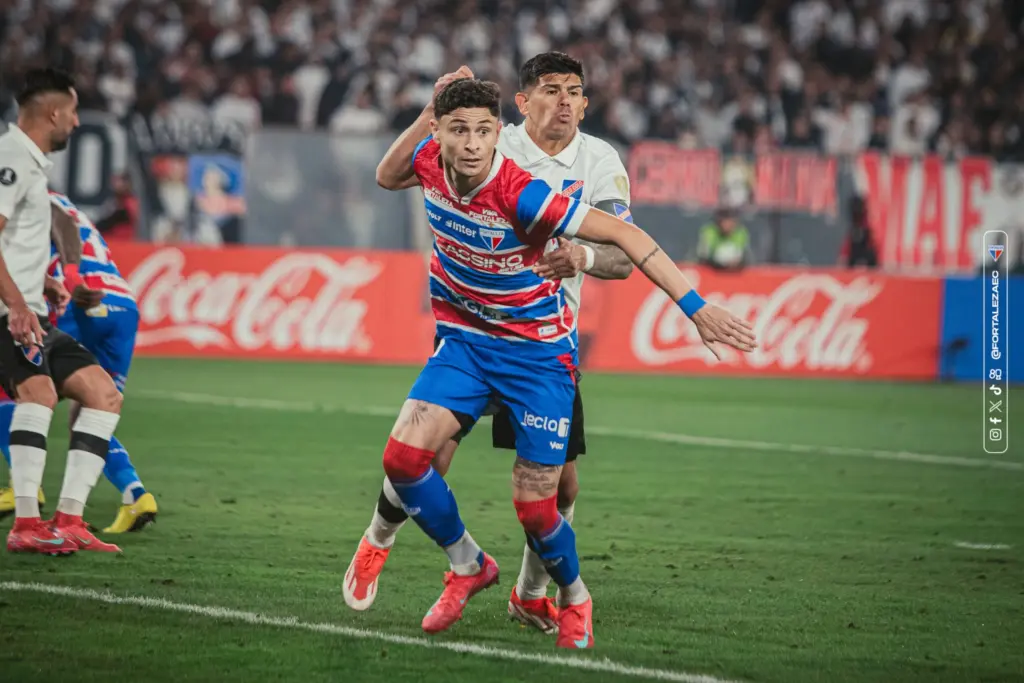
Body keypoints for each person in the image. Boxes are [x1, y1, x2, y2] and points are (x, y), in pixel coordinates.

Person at [368, 75, 756, 648]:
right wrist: (431, 105)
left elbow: (624, 239)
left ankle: (567, 594)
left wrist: (693, 306)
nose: (472, 144)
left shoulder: (533, 188)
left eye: (481, 132)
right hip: (468, 340)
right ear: (440, 132)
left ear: (496, 133)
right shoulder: (434, 158)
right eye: (459, 131)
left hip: (539, 353)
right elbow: (386, 174)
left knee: (542, 500)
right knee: (408, 458)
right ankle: (460, 562)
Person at [343, 53, 635, 635]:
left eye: (574, 92)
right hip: (473, 329)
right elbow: (401, 172)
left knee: (557, 486)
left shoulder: (600, 161)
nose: (564, 102)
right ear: (521, 105)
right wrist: (433, 113)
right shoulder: (488, 138)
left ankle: (530, 593)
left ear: (585, 103)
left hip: (543, 340)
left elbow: (622, 256)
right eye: (550, 90)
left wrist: (581, 256)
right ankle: (380, 540)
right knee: (423, 457)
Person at [0, 67, 124, 555]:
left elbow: (13, 244)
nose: (75, 122)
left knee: (102, 394)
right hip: (9, 315)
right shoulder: (11, 158)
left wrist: (43, 283)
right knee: (39, 394)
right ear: (53, 113)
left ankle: (69, 519)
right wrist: (15, 302)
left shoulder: (29, 163)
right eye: (72, 112)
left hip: (31, 310)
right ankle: (26, 524)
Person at [0, 192, 157, 534]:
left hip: (78, 300)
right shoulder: (64, 203)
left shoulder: (24, 195)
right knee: (94, 409)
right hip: (122, 305)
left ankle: (22, 488)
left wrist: (70, 276)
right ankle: (135, 494)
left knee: (17, 388)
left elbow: (59, 222)